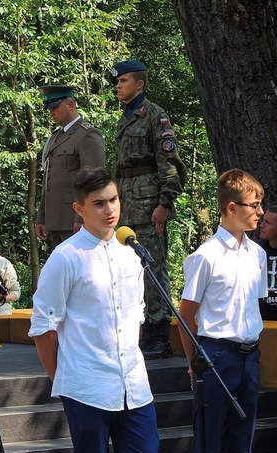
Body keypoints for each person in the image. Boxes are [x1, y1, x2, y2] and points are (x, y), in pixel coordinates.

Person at [29, 167, 159, 453]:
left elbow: (137, 317)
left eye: (114, 200)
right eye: (99, 203)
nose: (110, 209)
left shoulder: (132, 256)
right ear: (80, 209)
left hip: (134, 384)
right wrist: (63, 378)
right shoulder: (66, 257)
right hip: (86, 387)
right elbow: (43, 327)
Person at [178, 169, 268, 453]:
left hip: (249, 355)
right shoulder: (206, 256)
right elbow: (185, 315)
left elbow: (250, 307)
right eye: (254, 205)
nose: (260, 212)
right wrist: (194, 362)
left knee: (242, 444)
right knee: (208, 444)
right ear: (231, 208)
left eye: (261, 205)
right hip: (215, 355)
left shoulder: (257, 254)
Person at [111, 59, 187, 359]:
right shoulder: (125, 118)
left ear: (140, 84)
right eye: (118, 82)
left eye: (124, 81)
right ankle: (144, 331)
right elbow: (121, 169)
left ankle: (160, 334)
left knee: (154, 267)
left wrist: (165, 203)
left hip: (150, 203)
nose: (118, 86)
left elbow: (169, 163)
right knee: (133, 271)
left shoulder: (154, 115)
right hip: (129, 204)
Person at [36, 84, 106, 249]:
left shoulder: (87, 135)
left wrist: (82, 217)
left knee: (81, 272)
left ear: (70, 105)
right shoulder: (55, 137)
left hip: (75, 222)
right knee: (62, 273)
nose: (51, 112)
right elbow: (49, 181)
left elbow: (94, 182)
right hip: (56, 221)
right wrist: (42, 217)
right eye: (49, 107)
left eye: (55, 106)